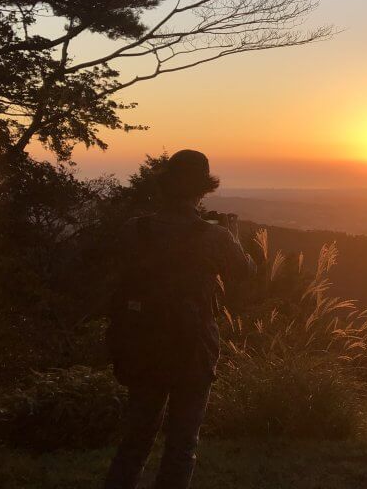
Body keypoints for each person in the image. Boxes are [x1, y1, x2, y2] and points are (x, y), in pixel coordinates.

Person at [103, 150, 255, 489]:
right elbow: (245, 272)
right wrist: (234, 233)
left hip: (141, 343)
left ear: (165, 185)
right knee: (182, 443)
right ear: (202, 189)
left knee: (136, 438)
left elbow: (122, 271)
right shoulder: (214, 237)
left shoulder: (135, 230)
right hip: (193, 347)